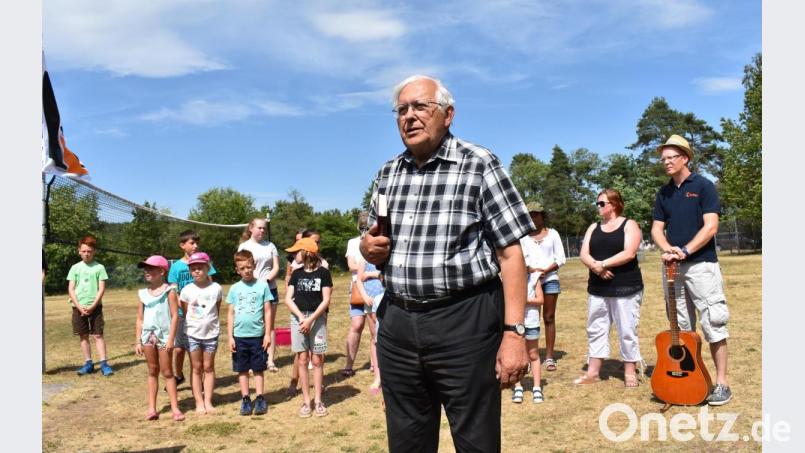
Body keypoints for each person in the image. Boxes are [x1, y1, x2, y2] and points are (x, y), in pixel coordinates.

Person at [360, 74, 533, 453]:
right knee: (407, 441)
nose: (410, 117)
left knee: (476, 441)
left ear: (448, 114)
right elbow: (371, 240)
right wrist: (368, 246)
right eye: (401, 110)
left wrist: (514, 333)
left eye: (421, 106)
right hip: (399, 324)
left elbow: (511, 255)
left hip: (465, 323)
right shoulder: (388, 173)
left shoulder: (479, 164)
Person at [651, 134, 732, 406]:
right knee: (682, 330)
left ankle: (721, 384)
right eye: (663, 159)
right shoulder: (663, 193)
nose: (666, 162)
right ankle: (687, 381)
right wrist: (668, 250)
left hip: (701, 266)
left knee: (713, 323)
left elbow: (710, 227)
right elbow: (656, 229)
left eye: (671, 157)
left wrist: (685, 250)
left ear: (685, 158)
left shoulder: (704, 186)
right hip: (673, 268)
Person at [576, 189, 645, 387]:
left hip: (625, 286)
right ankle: (593, 372)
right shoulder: (593, 227)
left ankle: (630, 371)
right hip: (597, 287)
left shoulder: (629, 224)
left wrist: (603, 264)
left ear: (614, 205)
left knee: (626, 328)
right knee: (596, 328)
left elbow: (629, 253)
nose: (598, 207)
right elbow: (584, 253)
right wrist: (597, 268)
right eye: (597, 203)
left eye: (601, 203)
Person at [285, 237, 333, 418]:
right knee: (302, 359)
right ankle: (306, 401)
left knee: (317, 360)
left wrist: (311, 319)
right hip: (299, 319)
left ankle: (318, 400)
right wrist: (301, 318)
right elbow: (288, 299)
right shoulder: (296, 274)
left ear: (306, 253)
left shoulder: (323, 273)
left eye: (297, 251)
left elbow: (326, 299)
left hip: (317, 319)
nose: (294, 255)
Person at [133, 255, 185, 421]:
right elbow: (140, 318)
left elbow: (175, 315)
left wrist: (171, 339)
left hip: (164, 337)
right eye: (145, 269)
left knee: (168, 372)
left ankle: (175, 409)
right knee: (152, 371)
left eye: (151, 268)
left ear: (162, 271)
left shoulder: (170, 291)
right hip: (148, 337)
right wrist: (138, 341)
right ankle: (152, 409)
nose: (146, 272)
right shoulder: (142, 294)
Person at [168, 230, 218, 390]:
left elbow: (212, 287)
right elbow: (173, 292)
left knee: (200, 350)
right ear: (182, 245)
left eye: (197, 243)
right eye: (192, 243)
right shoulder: (176, 267)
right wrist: (178, 312)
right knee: (179, 348)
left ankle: (201, 379)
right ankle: (179, 375)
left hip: (202, 315)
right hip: (183, 314)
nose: (195, 246)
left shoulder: (205, 261)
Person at [226, 250, 274, 416]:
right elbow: (230, 313)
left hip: (258, 336)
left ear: (254, 266)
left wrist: (267, 334)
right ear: (237, 270)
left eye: (249, 266)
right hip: (239, 337)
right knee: (242, 369)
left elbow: (268, 311)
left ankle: (260, 397)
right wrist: (230, 336)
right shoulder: (234, 289)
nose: (246, 270)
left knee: (258, 368)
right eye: (242, 268)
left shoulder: (262, 286)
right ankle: (246, 398)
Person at [520, 202, 566, 372]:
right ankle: (530, 356)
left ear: (543, 215)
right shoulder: (522, 237)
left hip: (549, 279)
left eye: (536, 214)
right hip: (530, 281)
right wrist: (531, 270)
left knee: (548, 317)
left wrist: (546, 270)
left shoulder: (553, 234)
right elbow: (520, 259)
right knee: (529, 318)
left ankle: (548, 357)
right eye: (530, 214)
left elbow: (560, 258)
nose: (533, 217)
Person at [179, 252, 222, 414]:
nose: (197, 271)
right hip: (192, 335)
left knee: (209, 367)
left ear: (207, 268)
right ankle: (199, 402)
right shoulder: (186, 290)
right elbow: (185, 310)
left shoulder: (216, 288)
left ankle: (208, 401)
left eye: (200, 268)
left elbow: (216, 309)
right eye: (193, 268)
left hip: (211, 334)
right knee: (196, 368)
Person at [510, 233, 550, 404]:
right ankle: (517, 387)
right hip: (516, 324)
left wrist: (523, 299)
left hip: (531, 321)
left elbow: (540, 300)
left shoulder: (534, 279)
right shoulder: (509, 280)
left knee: (533, 354)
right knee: (518, 355)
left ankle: (536, 387)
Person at [238, 217, 281, 373]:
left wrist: (267, 280)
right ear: (251, 228)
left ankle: (270, 360)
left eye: (264, 228)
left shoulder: (270, 246)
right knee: (254, 325)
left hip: (270, 288)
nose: (262, 231)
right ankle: (252, 361)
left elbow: (276, 267)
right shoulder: (244, 246)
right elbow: (241, 267)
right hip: (250, 289)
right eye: (259, 228)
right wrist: (254, 282)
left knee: (269, 325)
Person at [67, 234, 113, 376]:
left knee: (98, 335)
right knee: (83, 335)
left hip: (95, 308)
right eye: (84, 251)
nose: (87, 254)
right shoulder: (75, 268)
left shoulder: (99, 267)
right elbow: (71, 289)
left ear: (94, 252)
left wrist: (93, 305)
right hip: (78, 307)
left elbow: (101, 288)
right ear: (79, 251)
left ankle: (104, 363)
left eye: (89, 251)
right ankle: (88, 363)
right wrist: (79, 307)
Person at [342, 212, 377, 378]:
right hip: (357, 288)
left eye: (367, 226)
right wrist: (367, 268)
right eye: (363, 226)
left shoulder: (377, 242)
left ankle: (374, 364)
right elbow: (351, 265)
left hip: (373, 289)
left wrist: (364, 268)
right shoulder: (353, 243)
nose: (365, 229)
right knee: (356, 325)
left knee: (374, 329)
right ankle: (349, 364)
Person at [359, 258, 385, 395]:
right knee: (375, 337)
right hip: (371, 299)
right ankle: (378, 376)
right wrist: (364, 297)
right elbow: (359, 279)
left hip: (388, 297)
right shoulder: (365, 257)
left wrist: (372, 274)